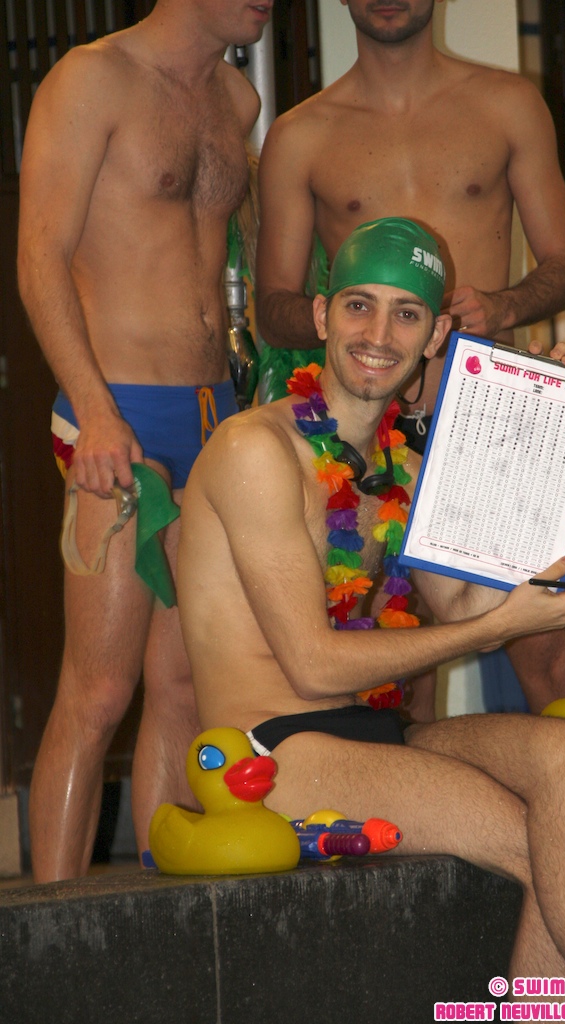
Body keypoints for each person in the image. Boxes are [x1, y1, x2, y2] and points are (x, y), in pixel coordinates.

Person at [178, 218, 565, 992]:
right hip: (275, 747)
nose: (377, 334)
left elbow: (466, 604)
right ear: (322, 316)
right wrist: (498, 624)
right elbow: (314, 664)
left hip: (372, 734)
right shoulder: (254, 450)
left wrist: (539, 427)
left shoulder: (402, 466)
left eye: (405, 313)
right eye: (358, 305)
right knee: (542, 839)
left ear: (436, 336)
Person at [254, 0, 565, 717]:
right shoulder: (300, 134)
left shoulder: (507, 104)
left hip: (487, 416)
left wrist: (503, 305)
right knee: (394, 659)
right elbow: (273, 307)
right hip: (368, 423)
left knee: (549, 646)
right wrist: (350, 317)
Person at [16, 0, 273, 883]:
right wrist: (94, 411)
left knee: (184, 687)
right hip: (118, 411)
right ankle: (53, 932)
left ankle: (168, 918)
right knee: (98, 691)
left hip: (216, 413)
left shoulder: (236, 100)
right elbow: (40, 258)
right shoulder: (90, 80)